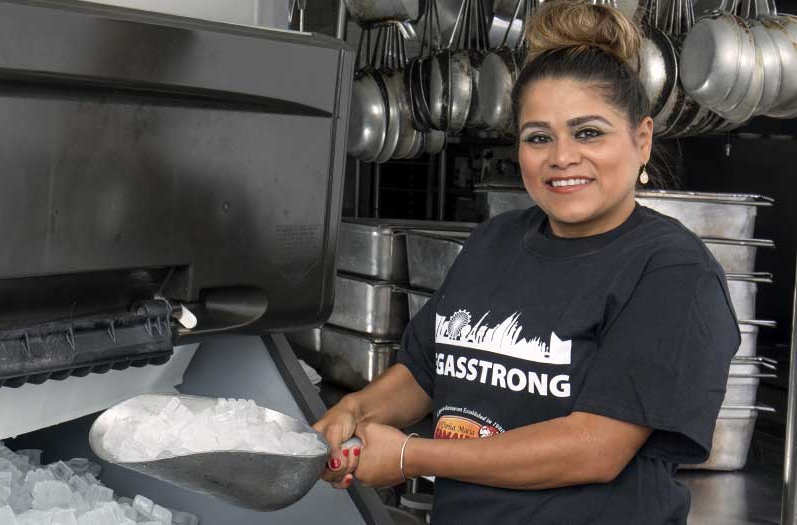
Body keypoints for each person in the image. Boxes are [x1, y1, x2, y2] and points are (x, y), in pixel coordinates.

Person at [313, 1, 741, 523]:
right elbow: (424, 372)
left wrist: (408, 457)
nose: (562, 157)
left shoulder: (672, 272)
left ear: (642, 140)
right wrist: (355, 409)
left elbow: (594, 447)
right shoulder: (497, 240)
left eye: (589, 133)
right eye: (539, 137)